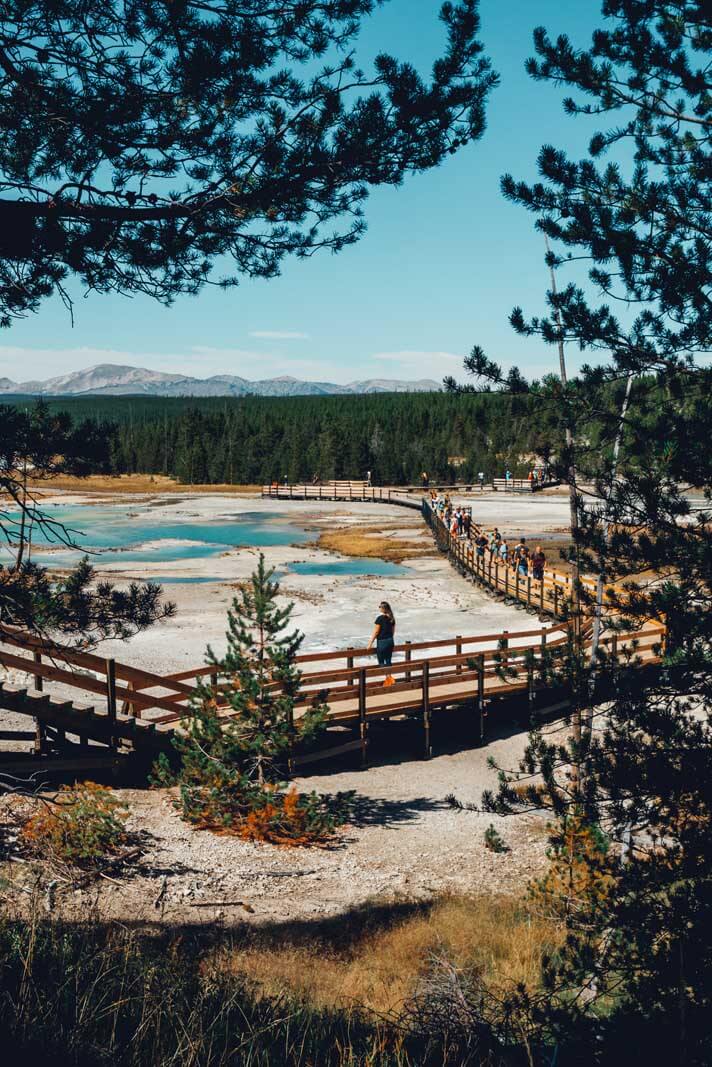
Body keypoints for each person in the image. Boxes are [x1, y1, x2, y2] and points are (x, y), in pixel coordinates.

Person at [367, 601, 396, 666]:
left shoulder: (380, 618)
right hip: (390, 641)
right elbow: (393, 631)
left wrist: (370, 643)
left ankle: (385, 675)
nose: (379, 608)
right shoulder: (392, 618)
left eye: (380, 607)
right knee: (388, 661)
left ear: (383, 609)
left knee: (381, 661)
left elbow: (376, 632)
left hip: (382, 642)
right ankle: (388, 676)